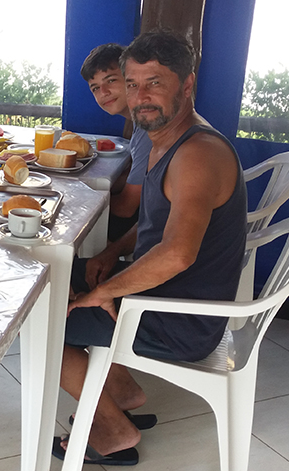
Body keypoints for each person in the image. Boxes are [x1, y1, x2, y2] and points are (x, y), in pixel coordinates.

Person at [54, 31, 247, 465]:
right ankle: (124, 393)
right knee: (52, 277)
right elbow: (154, 221)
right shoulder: (169, 139)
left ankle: (113, 433)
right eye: (133, 83)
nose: (141, 96)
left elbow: (177, 254)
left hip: (181, 321)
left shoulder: (197, 153)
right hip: (166, 297)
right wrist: (108, 257)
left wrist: (106, 292)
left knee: (37, 320)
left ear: (187, 84)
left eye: (155, 82)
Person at [80, 43, 152, 241]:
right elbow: (135, 176)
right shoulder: (139, 122)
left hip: (146, 226)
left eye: (110, 80)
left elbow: (127, 208)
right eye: (95, 88)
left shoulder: (150, 130)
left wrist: (79, 202)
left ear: (131, 80)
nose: (103, 92)